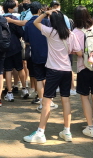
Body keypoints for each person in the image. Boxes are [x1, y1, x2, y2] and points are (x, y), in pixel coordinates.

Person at [23, 8, 81, 144]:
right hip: (67, 71)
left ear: (52, 21)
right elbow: (78, 52)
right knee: (65, 100)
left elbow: (35, 23)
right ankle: (67, 131)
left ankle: (40, 133)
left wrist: (45, 13)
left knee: (46, 102)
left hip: (53, 71)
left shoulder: (51, 32)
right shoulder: (70, 34)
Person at [72, 6, 93, 138]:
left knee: (85, 97)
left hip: (84, 67)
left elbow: (79, 53)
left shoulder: (75, 32)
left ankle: (90, 126)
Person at [24, 2, 50, 109]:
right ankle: (49, 101)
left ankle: (41, 102)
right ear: (40, 10)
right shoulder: (46, 22)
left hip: (35, 54)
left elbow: (27, 41)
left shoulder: (28, 24)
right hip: (48, 54)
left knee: (39, 78)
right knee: (48, 78)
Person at [2, 0, 28, 101]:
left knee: (8, 70)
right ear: (9, 9)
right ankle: (24, 89)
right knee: (20, 67)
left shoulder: (0, 19)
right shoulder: (14, 19)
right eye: (13, 7)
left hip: (4, 47)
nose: (15, 9)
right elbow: (21, 33)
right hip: (16, 46)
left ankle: (9, 93)